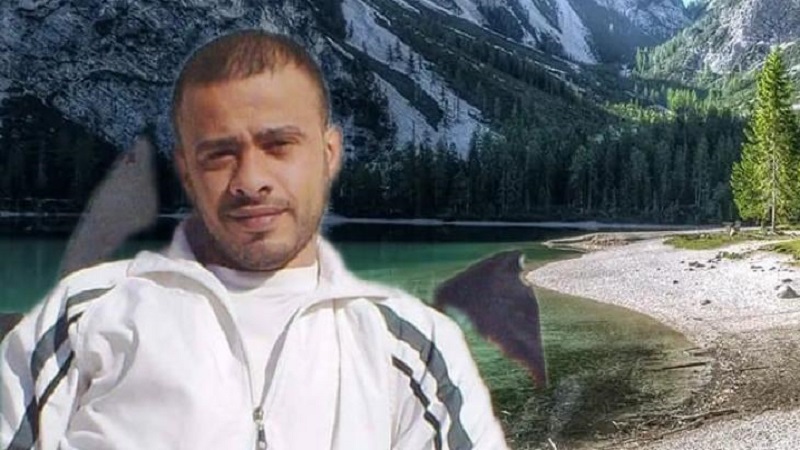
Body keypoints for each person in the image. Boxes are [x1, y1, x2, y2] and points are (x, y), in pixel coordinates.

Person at [0, 30, 508, 449]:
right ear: (186, 170)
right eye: (220, 154)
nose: (250, 180)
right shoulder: (83, 317)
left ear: (329, 154)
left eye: (279, 145)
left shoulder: (414, 345)